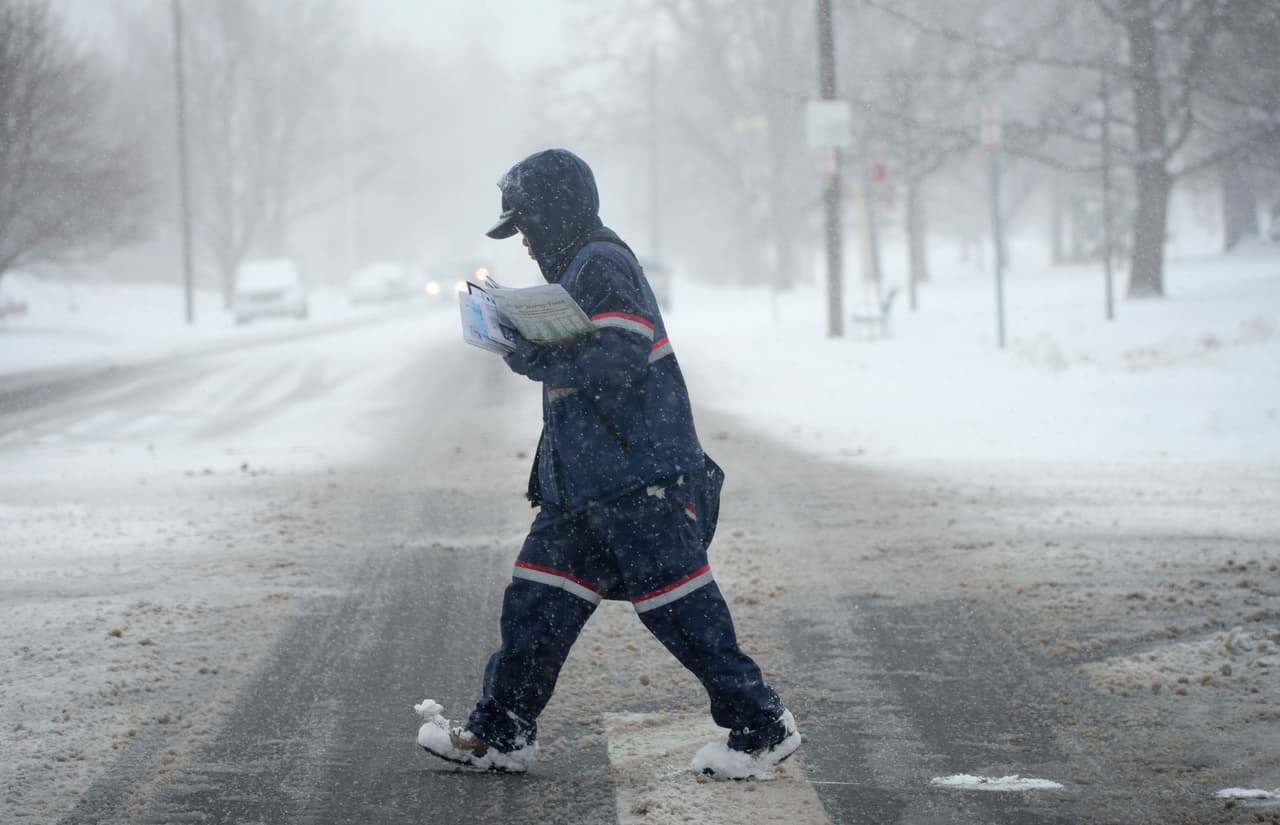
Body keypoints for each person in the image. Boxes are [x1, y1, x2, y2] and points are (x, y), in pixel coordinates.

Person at [415, 148, 799, 779]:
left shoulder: (601, 264)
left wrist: (529, 355)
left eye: (527, 228)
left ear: (554, 215)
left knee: (681, 612)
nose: (527, 246)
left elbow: (621, 354)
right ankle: (502, 731)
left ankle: (761, 723)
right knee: (535, 607)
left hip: (637, 479)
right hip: (586, 486)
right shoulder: (578, 268)